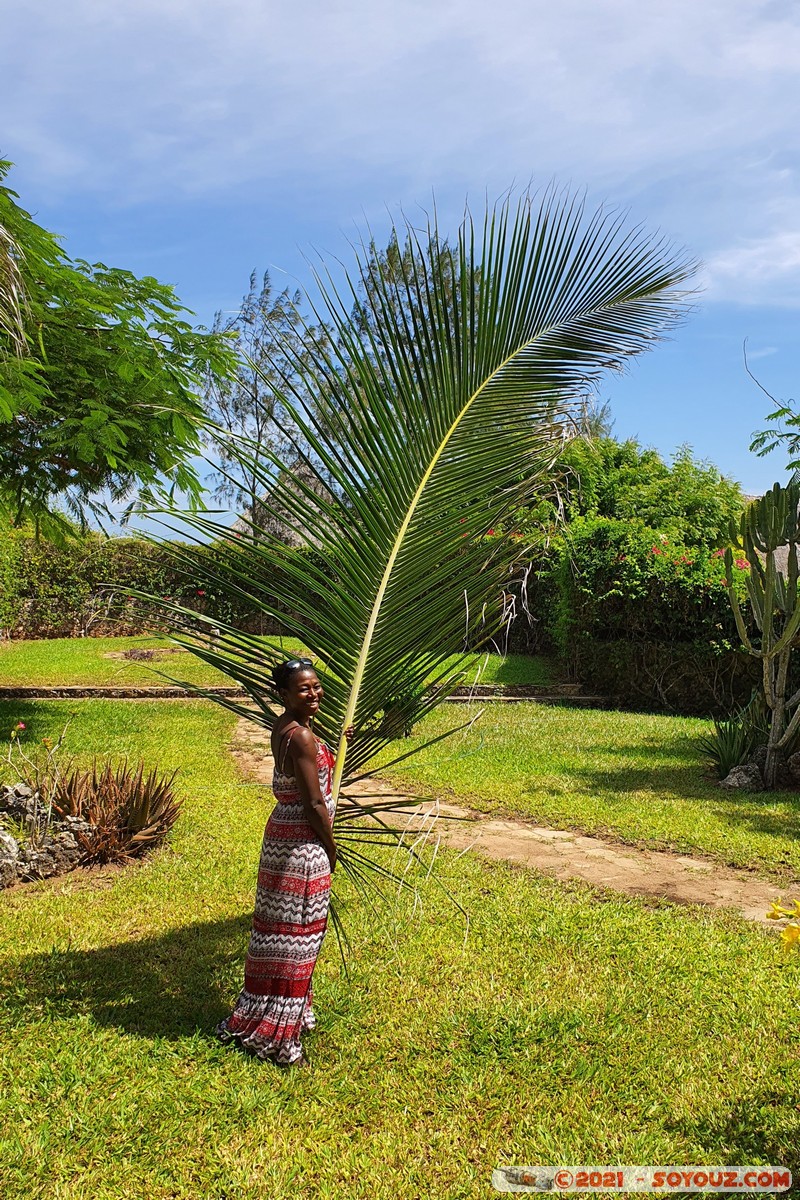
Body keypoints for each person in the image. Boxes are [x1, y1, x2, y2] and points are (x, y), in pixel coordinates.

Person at [216, 657, 351, 1068]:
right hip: (302, 845)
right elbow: (313, 802)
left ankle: (267, 1011)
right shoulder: (303, 737)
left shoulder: (285, 727)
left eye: (317, 686)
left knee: (276, 932)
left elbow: (305, 764)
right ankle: (278, 1036)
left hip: (280, 840)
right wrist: (330, 848)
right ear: (285, 694)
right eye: (304, 689)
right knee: (299, 936)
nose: (314, 693)